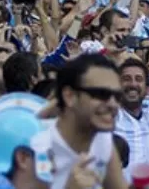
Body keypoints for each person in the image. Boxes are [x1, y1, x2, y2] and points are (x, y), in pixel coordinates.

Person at [31, 53, 128, 189]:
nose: (113, 104)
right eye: (101, 94)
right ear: (70, 96)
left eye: (118, 96)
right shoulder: (35, 144)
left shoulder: (102, 139)